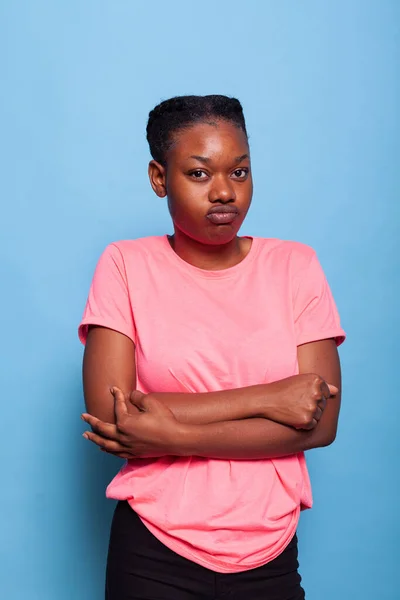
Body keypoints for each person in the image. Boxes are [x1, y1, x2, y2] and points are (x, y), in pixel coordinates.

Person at [79, 94, 345, 600]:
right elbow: (112, 417)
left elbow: (321, 423)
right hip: (153, 549)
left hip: (268, 545)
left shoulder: (295, 266)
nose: (224, 192)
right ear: (160, 178)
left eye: (239, 173)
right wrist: (268, 398)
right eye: (199, 174)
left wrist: (168, 434)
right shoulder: (124, 265)